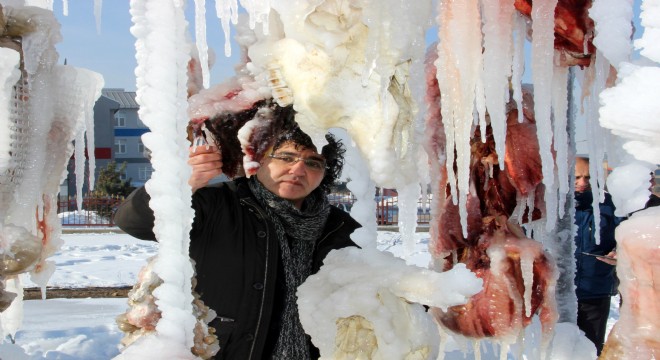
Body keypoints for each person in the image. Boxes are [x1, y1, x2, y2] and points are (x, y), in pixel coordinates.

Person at [115, 108, 361, 359]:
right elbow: (134, 222)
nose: (298, 170)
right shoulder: (215, 205)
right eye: (286, 157)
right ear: (258, 159)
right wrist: (179, 183)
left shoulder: (340, 227)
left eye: (313, 162)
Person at [573, 157, 621, 355]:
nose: (583, 183)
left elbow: (626, 235)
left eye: (588, 177)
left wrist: (620, 251)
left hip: (596, 291)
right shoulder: (547, 204)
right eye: (576, 177)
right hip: (557, 294)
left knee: (591, 350)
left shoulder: (612, 206)